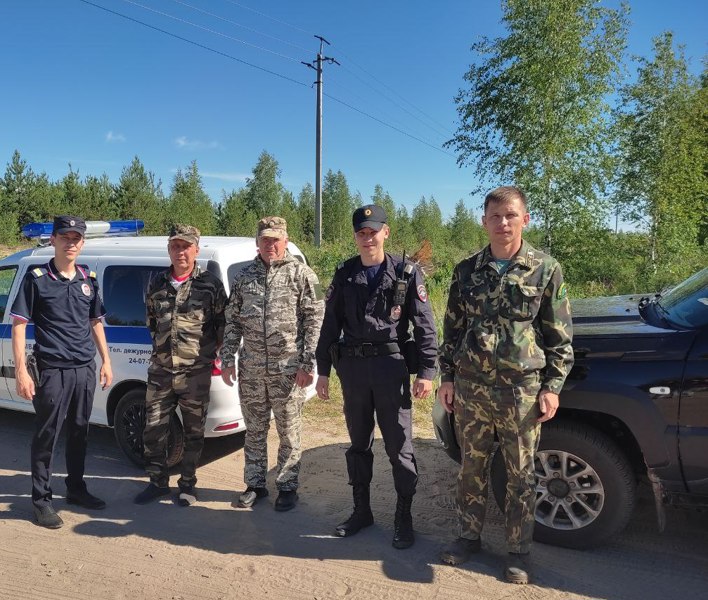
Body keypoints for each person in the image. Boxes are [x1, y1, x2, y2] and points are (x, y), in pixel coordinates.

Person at [437, 186, 573, 584]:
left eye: (511, 215)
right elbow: (453, 328)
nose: (503, 223)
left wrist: (553, 386)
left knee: (521, 474)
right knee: (471, 467)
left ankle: (518, 551)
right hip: (472, 388)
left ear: (525, 219)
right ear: (484, 222)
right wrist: (447, 376)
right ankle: (467, 537)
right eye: (495, 216)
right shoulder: (466, 271)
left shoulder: (546, 269)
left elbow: (560, 336)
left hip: (521, 391)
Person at [315, 204, 438, 549]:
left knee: (399, 446)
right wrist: (322, 369)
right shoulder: (345, 274)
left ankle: (404, 515)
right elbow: (330, 326)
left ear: (385, 232)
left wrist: (427, 371)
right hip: (353, 372)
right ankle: (361, 510)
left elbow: (425, 325)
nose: (367, 238)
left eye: (373, 231)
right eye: (361, 233)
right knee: (358, 444)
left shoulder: (406, 273)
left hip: (390, 369)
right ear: (355, 236)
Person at [10, 215, 113, 529]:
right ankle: (41, 501)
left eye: (76, 238)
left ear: (82, 243)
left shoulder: (88, 278)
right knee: (47, 436)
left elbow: (95, 322)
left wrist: (105, 360)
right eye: (65, 237)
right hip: (52, 370)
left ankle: (77, 489)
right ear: (53, 240)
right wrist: (21, 372)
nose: (71, 243)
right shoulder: (37, 278)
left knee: (80, 431)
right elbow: (19, 325)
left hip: (84, 368)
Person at [220, 216, 324, 512]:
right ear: (258, 242)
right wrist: (228, 358)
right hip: (252, 370)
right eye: (265, 239)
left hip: (288, 371)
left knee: (289, 431)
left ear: (285, 240)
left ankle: (288, 487)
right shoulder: (244, 277)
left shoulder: (303, 274)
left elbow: (315, 321)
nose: (270, 245)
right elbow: (232, 322)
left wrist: (308, 363)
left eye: (276, 239)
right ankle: (255, 484)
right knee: (254, 430)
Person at [133, 224, 227, 507]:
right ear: (169, 250)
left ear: (196, 249)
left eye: (186, 246)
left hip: (195, 373)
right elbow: (151, 322)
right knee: (153, 429)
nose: (180, 251)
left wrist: (214, 353)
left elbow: (223, 324)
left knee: (193, 433)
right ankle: (157, 482)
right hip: (161, 372)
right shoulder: (156, 283)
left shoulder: (210, 284)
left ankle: (188, 485)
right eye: (175, 246)